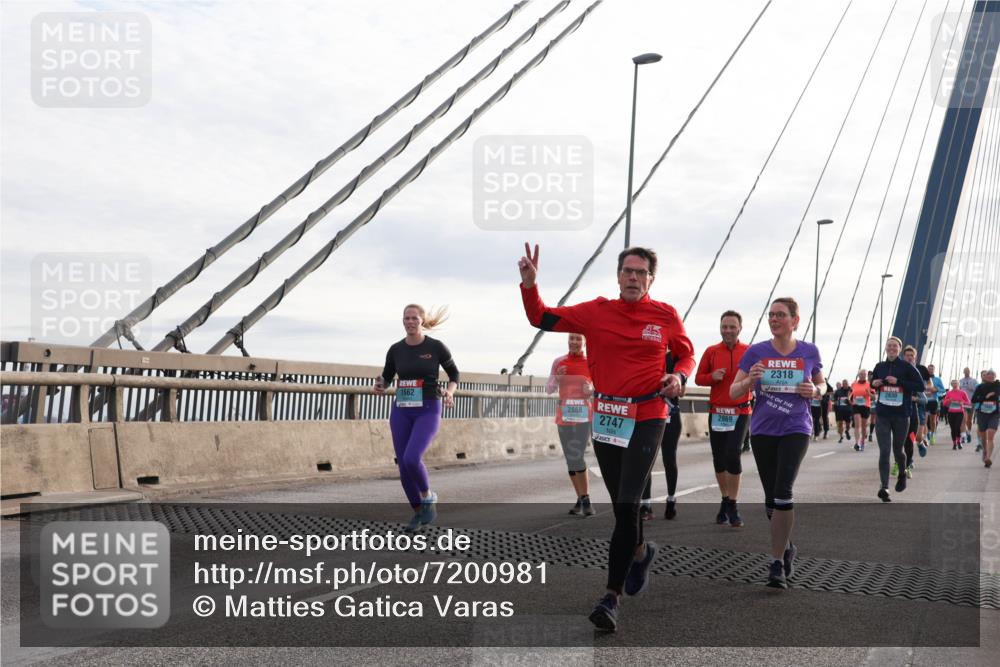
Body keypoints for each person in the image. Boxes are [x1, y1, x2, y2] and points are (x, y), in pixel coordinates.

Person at [518, 243, 695, 631]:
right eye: (627, 271)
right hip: (609, 416)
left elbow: (686, 355)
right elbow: (541, 318)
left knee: (629, 503)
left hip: (649, 413)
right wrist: (530, 284)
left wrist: (678, 377)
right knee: (620, 507)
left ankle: (610, 597)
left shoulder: (665, 315)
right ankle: (641, 551)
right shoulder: (596, 311)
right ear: (618, 276)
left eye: (641, 273)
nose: (633, 278)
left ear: (651, 279)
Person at [729, 297, 825, 589]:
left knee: (784, 491)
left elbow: (823, 385)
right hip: (763, 430)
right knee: (771, 499)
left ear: (795, 320)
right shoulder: (756, 352)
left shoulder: (809, 351)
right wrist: (749, 382)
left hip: (796, 427)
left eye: (780, 315)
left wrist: (815, 390)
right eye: (770, 315)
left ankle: (776, 563)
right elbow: (734, 391)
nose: (774, 319)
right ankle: (787, 546)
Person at [375, 304, 459, 532]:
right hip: (401, 409)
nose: (410, 322)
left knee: (412, 458)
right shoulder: (395, 349)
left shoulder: (435, 347)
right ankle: (418, 513)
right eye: (406, 318)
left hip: (428, 408)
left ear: (422, 321)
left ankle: (427, 496)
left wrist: (450, 392)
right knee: (403, 466)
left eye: (414, 318)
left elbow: (454, 374)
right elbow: (387, 377)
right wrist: (381, 384)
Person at [695, 310, 752, 528]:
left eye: (732, 327)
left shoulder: (748, 351)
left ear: (740, 328)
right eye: (724, 327)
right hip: (717, 412)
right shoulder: (711, 351)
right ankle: (725, 498)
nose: (727, 330)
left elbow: (758, 376)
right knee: (718, 458)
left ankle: (734, 505)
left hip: (740, 411)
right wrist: (712, 377)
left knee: (732, 454)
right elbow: (698, 378)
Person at [870, 337, 925, 502]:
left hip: (902, 415)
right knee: (884, 451)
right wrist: (875, 383)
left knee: (898, 450)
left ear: (899, 349)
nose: (892, 348)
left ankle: (902, 474)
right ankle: (884, 487)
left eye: (895, 346)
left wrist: (899, 382)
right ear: (886, 348)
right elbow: (872, 384)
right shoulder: (880, 366)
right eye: (889, 346)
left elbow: (920, 387)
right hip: (883, 415)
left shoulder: (907, 367)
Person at [546, 333, 595, 516]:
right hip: (564, 416)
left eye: (578, 339)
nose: (574, 342)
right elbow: (549, 389)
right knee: (570, 459)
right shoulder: (559, 361)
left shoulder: (591, 363)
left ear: (584, 341)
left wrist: (592, 390)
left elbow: (599, 387)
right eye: (571, 338)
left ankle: (586, 499)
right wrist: (557, 379)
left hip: (583, 416)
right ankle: (580, 498)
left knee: (577, 456)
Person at [639, 350, 684, 520]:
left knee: (669, 458)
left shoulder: (675, 357)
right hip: (648, 414)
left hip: (670, 415)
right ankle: (646, 504)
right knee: (646, 459)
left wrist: (673, 385)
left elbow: (683, 390)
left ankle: (671, 499)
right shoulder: (646, 353)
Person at [970, 369, 999, 467]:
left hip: (994, 413)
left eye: (992, 375)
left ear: (995, 377)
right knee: (983, 437)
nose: (990, 376)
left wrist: (994, 394)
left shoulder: (998, 386)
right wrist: (985, 397)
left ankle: (988, 458)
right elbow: (974, 399)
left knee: (991, 435)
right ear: (985, 377)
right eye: (988, 375)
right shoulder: (980, 387)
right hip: (982, 413)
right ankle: (985, 451)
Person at [942, 380, 972, 449]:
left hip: (959, 412)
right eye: (953, 383)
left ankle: (959, 442)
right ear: (951, 385)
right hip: (951, 412)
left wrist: (962, 402)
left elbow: (968, 402)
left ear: (958, 384)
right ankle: (954, 443)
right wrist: (949, 400)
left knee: (957, 427)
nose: (954, 385)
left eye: (956, 383)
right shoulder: (949, 393)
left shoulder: (962, 393)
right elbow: (944, 403)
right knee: (952, 429)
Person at [850, 370, 875, 451]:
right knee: (857, 425)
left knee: (864, 427)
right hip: (856, 406)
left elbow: (874, 397)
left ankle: (862, 442)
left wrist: (868, 393)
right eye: (861, 374)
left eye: (864, 374)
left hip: (865, 406)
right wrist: (850, 400)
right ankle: (857, 443)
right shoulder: (854, 384)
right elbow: (851, 395)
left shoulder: (869, 384)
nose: (862, 376)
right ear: (858, 375)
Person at [927, 364, 946, 445]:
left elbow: (943, 390)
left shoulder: (938, 379)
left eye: (932, 369)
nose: (930, 370)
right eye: (929, 369)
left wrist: (936, 390)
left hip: (934, 401)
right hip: (924, 401)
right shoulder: (922, 378)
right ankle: (926, 434)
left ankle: (932, 436)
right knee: (923, 420)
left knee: (933, 420)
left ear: (934, 370)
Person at [959, 368, 978, 445]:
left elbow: (977, 390)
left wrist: (972, 388)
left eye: (968, 371)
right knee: (963, 419)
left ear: (970, 372)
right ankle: (964, 433)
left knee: (969, 420)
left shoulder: (974, 381)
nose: (967, 372)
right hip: (963, 402)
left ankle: (969, 432)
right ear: (963, 372)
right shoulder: (961, 381)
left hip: (971, 402)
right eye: (965, 371)